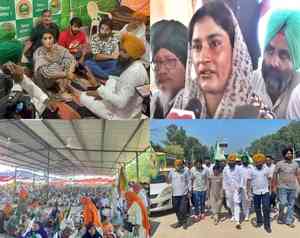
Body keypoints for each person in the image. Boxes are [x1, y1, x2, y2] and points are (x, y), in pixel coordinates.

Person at [172, 1, 273, 119]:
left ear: (235, 50)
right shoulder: (183, 103)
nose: (203, 58)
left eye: (215, 44)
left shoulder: (258, 115)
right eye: (197, 47)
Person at [77, 32, 147, 119]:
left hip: (121, 116)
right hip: (131, 108)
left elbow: (121, 103)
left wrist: (97, 86)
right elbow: (117, 81)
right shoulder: (137, 66)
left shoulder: (133, 73)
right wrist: (101, 93)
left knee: (83, 96)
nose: (120, 54)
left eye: (124, 52)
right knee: (109, 81)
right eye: (120, 49)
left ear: (133, 56)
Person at [252, 9, 300, 118]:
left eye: (284, 56)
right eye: (270, 51)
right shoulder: (250, 83)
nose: (274, 62)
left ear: (296, 61)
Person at [150, 20, 188, 118]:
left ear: (187, 63)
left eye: (170, 61)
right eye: (157, 62)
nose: (161, 71)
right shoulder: (153, 101)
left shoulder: (199, 105)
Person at [33, 29, 76, 100]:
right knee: (55, 66)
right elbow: (46, 73)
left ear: (53, 39)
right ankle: (58, 91)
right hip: (45, 81)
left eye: (50, 38)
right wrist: (67, 74)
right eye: (45, 39)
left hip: (59, 76)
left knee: (67, 61)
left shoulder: (56, 47)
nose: (48, 41)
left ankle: (63, 86)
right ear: (41, 41)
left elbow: (71, 57)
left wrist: (70, 70)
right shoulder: (39, 53)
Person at [272, 147, 300, 228]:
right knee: (283, 203)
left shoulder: (295, 164)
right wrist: (274, 186)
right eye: (288, 153)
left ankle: (289, 221)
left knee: (291, 204)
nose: (289, 154)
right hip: (282, 187)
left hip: (293, 187)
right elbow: (275, 175)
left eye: (291, 153)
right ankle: (280, 217)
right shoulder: (279, 164)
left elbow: (298, 175)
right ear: (284, 154)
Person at [247, 153, 272, 233]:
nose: (259, 163)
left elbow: (269, 179)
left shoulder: (266, 169)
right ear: (254, 162)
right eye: (257, 162)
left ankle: (267, 225)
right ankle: (259, 221)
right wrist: (248, 192)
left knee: (266, 208)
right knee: (257, 208)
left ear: (262, 161)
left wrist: (271, 189)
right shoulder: (251, 170)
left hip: (265, 191)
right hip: (255, 192)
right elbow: (248, 181)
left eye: (260, 162)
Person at [167, 159, 190, 229]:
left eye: (180, 165)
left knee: (183, 209)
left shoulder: (185, 171)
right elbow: (168, 181)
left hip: (183, 194)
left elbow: (189, 182)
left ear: (182, 165)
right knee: (176, 209)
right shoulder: (171, 172)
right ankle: (179, 221)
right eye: (177, 165)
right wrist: (166, 178)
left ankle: (185, 222)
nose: (178, 167)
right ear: (175, 165)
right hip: (174, 194)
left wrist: (189, 191)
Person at [222, 153, 242, 229]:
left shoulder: (239, 168)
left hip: (237, 189)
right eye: (230, 161)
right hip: (228, 189)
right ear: (228, 162)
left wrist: (240, 187)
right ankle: (233, 215)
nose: (231, 163)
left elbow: (242, 178)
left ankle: (237, 221)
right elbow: (224, 179)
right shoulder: (225, 169)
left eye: (232, 161)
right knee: (230, 204)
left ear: (235, 161)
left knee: (236, 203)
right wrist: (224, 189)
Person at [239, 154, 253, 221]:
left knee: (249, 201)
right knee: (244, 201)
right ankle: (246, 214)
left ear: (248, 160)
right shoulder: (239, 168)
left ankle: (247, 211)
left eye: (246, 159)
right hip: (242, 187)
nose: (244, 161)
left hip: (250, 187)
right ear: (242, 161)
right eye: (243, 160)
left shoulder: (251, 168)